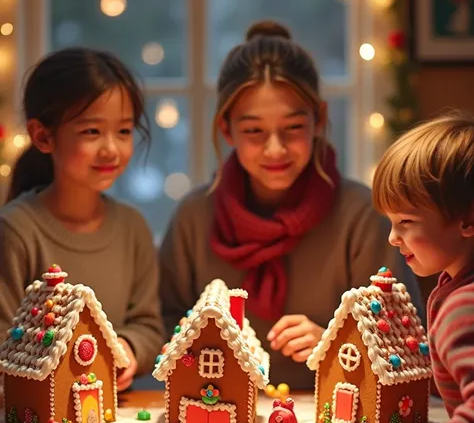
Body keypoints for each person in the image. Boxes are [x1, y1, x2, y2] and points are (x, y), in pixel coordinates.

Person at [159, 20, 422, 389]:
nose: (275, 149)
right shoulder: (193, 217)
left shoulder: (362, 215)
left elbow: (405, 344)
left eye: (293, 128)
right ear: (225, 129)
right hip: (217, 412)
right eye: (253, 131)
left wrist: (334, 346)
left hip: (333, 418)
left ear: (320, 120)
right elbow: (164, 329)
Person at [0, 47, 164, 390]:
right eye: (92, 132)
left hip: (113, 422)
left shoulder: (132, 228)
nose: (111, 149)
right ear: (43, 136)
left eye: (123, 131)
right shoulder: (16, 230)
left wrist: (128, 349)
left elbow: (149, 326)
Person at [371, 111, 474, 423]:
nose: (394, 238)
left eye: (407, 221)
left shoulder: (463, 307)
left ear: (467, 220)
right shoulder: (453, 288)